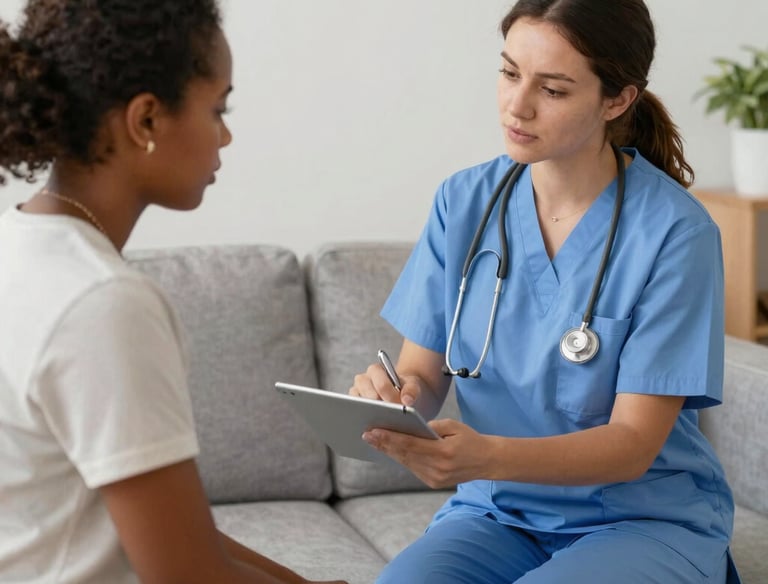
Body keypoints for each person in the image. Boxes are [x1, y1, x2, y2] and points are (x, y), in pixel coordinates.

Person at [350, 1, 741, 583]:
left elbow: (633, 444)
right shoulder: (463, 203)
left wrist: (486, 455)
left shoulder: (675, 233)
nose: (517, 105)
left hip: (639, 518)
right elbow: (425, 377)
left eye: (553, 90)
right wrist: (396, 399)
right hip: (499, 512)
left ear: (618, 100)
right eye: (510, 73)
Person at [0, 2, 347, 583]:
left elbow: (175, 533)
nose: (227, 135)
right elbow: (190, 577)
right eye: (218, 108)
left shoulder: (19, 246)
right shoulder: (103, 303)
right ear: (146, 121)